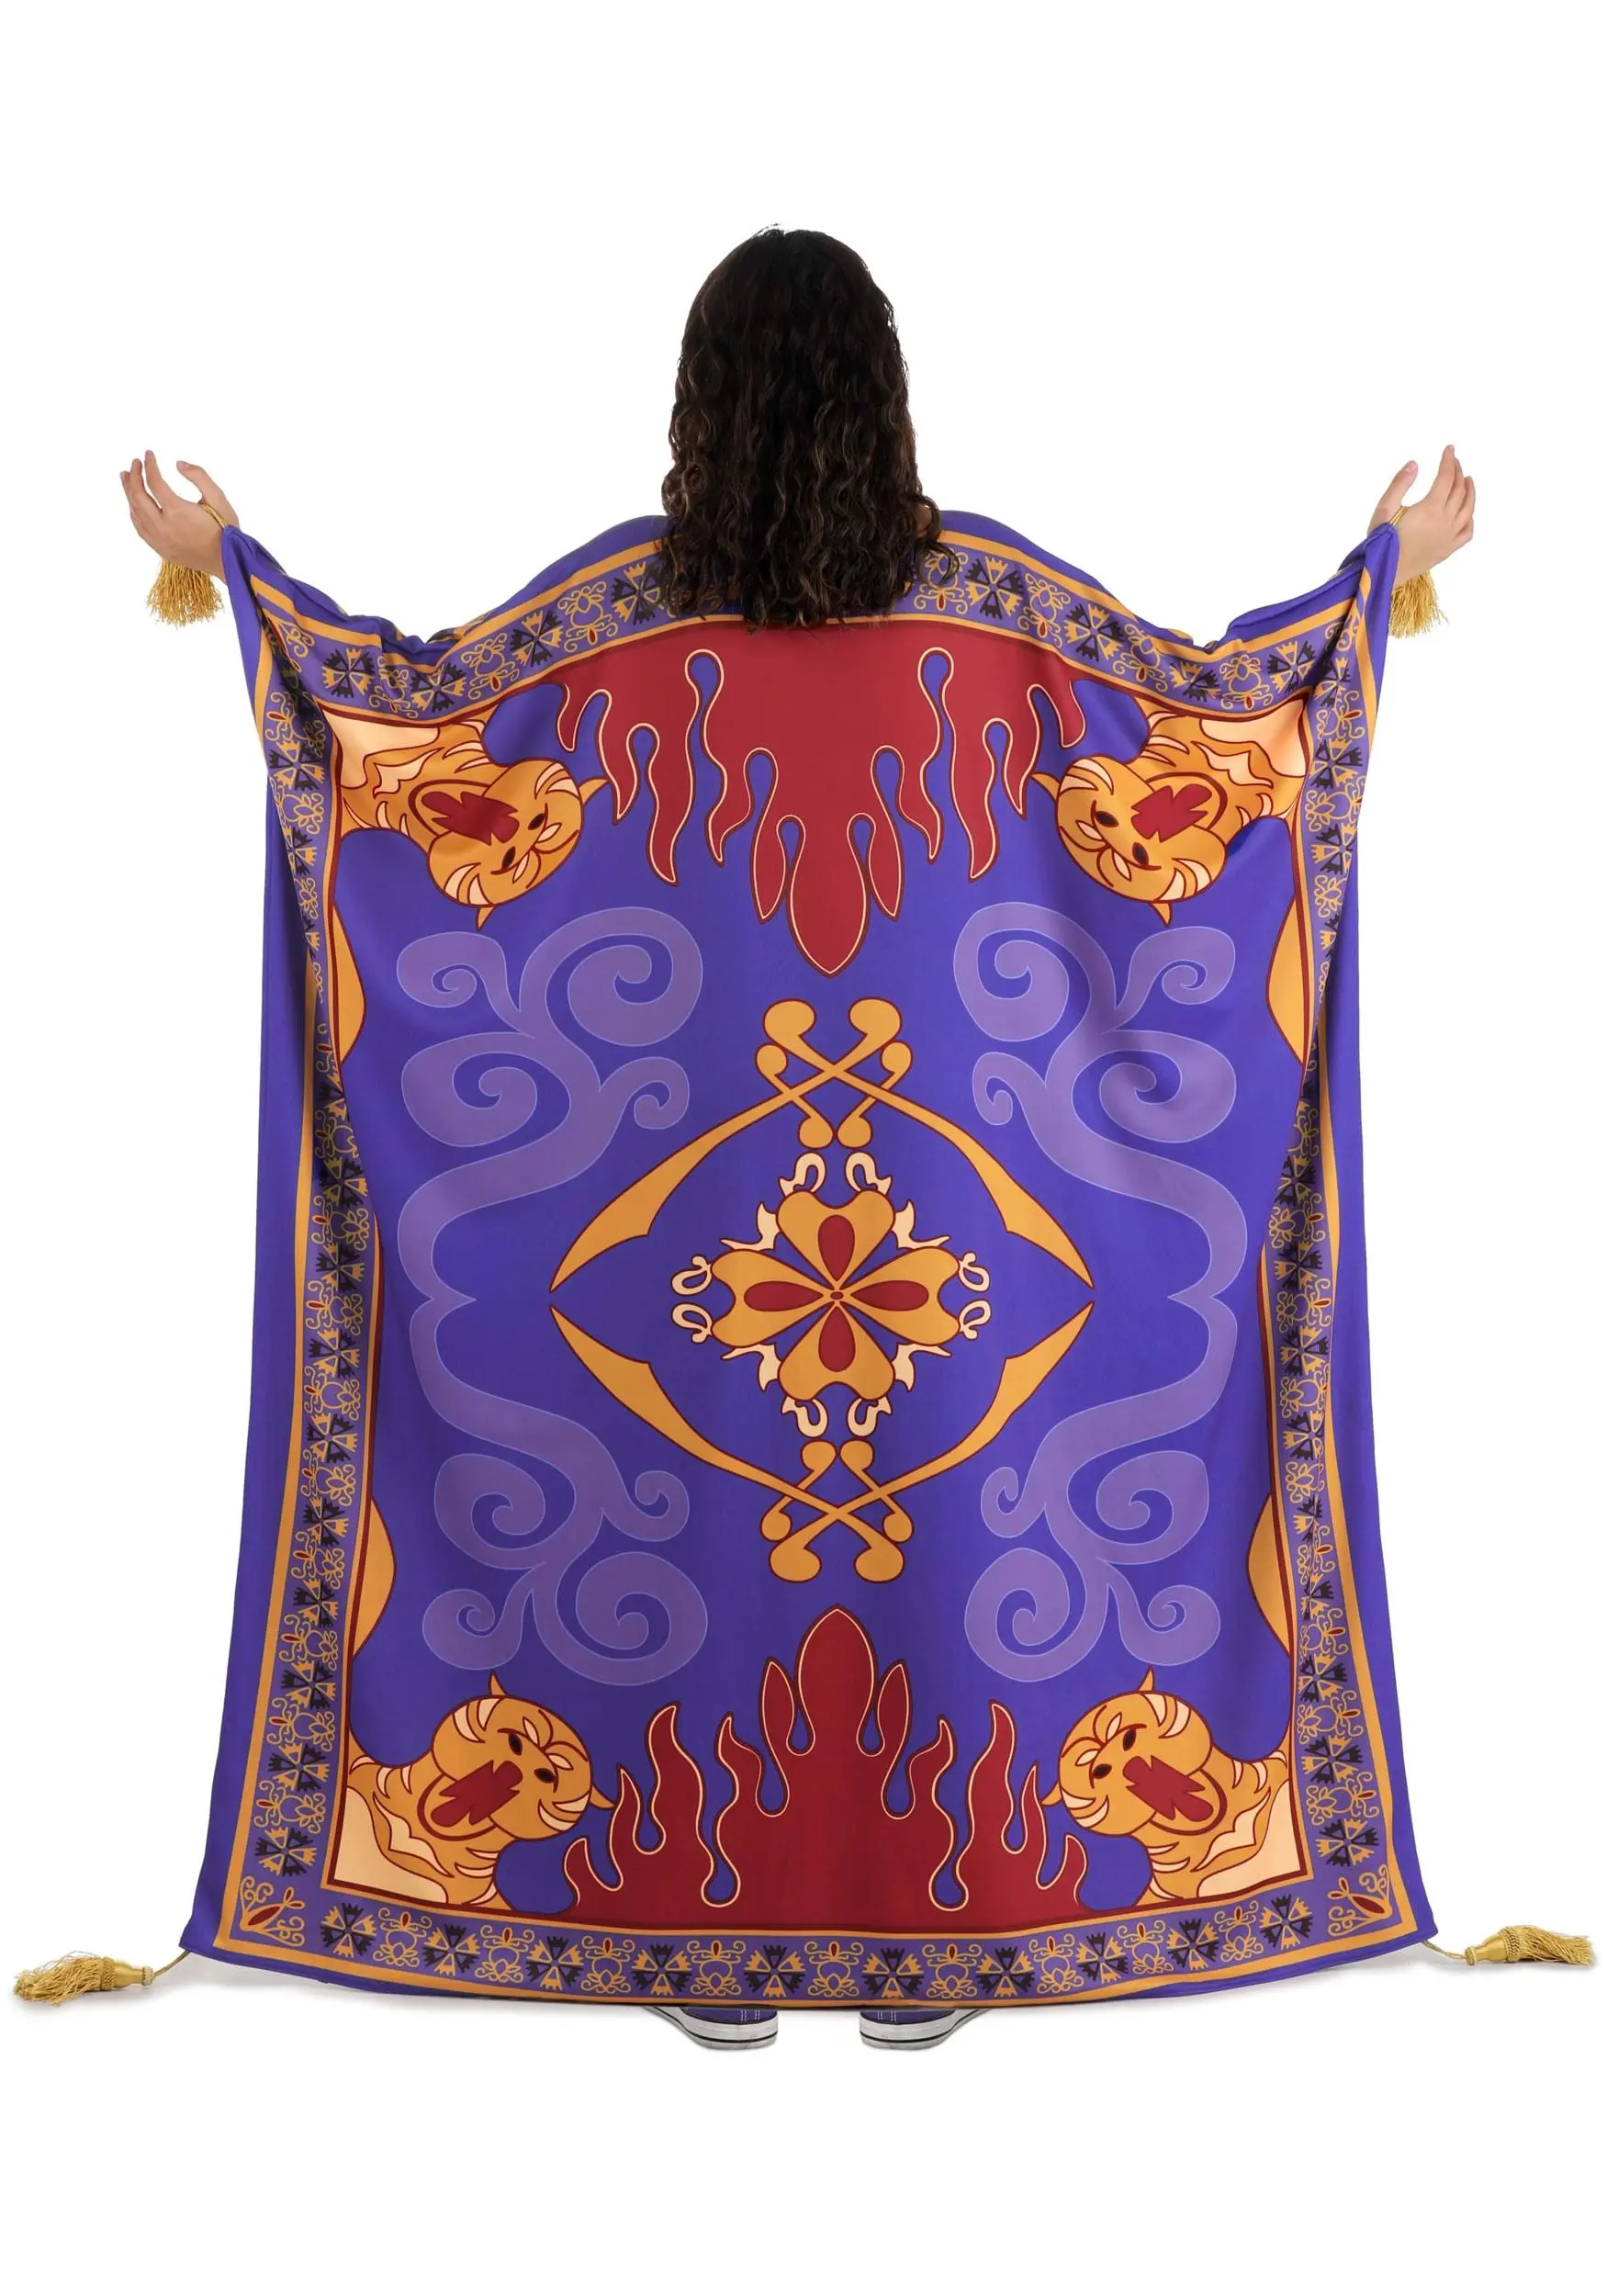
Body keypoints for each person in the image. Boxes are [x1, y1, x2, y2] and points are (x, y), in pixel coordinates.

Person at [116, 231, 1475, 2052]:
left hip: (702, 1226)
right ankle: (947, 1937)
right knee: (937, 1542)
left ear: (695, 406)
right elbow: (1218, 725)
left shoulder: (606, 629)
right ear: (884, 397)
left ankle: (701, 1935)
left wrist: (234, 571)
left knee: (699, 1541)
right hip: (944, 1244)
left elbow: (400, 730)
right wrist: (1377, 582)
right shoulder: (1004, 619)